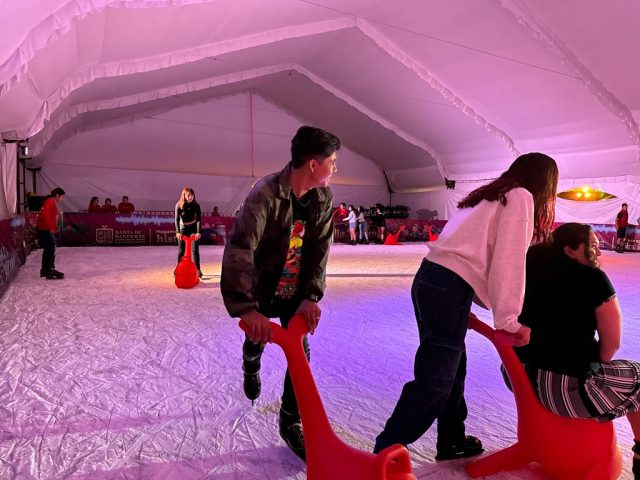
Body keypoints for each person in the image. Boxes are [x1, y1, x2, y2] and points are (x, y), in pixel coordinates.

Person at [373, 152, 559, 460]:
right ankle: (386, 451)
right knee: (437, 378)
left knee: (453, 366)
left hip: (431, 279)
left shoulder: (488, 195)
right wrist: (509, 320)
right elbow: (508, 261)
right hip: (447, 286)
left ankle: (451, 439)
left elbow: (467, 250)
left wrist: (459, 301)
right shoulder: (521, 197)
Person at [220, 125, 340, 461]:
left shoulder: (323, 197)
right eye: (332, 162)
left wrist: (311, 296)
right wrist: (247, 308)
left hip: (295, 292)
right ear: (313, 164)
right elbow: (240, 248)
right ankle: (251, 362)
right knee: (256, 338)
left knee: (301, 355)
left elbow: (320, 249)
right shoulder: (265, 194)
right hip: (261, 288)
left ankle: (291, 421)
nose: (335, 168)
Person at [514, 223, 640, 479]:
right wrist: (593, 369)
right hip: (562, 391)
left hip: (520, 376)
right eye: (592, 246)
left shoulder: (530, 269)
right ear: (569, 250)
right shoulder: (593, 279)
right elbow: (612, 342)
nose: (599, 252)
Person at [36, 187, 66, 279]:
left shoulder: (50, 202)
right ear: (57, 195)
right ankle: (48, 270)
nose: (62, 198)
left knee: (50, 249)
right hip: (45, 229)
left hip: (45, 229)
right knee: (50, 249)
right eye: (62, 196)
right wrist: (50, 228)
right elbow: (45, 215)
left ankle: (47, 269)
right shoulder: (50, 202)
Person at [174, 187, 203, 278]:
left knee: (195, 250)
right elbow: (176, 219)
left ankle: (198, 269)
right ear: (184, 195)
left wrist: (198, 232)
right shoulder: (179, 205)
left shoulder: (196, 205)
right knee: (181, 250)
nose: (190, 197)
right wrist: (177, 232)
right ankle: (177, 269)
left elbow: (199, 219)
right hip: (183, 228)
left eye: (192, 195)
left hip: (193, 228)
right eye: (188, 195)